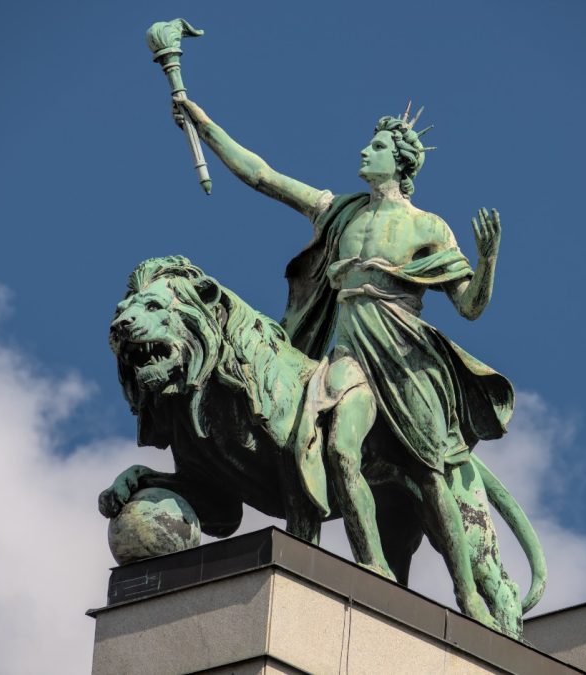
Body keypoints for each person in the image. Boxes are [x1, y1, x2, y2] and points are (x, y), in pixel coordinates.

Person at [174, 99, 514, 618]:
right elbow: (264, 176)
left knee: (429, 474)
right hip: (350, 351)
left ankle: (467, 592)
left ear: (400, 162)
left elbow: (469, 307)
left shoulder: (429, 228)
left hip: (406, 357)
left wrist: (486, 261)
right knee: (338, 447)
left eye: (375, 146)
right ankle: (372, 564)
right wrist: (203, 123)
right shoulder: (341, 211)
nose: (364, 150)